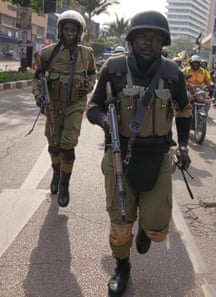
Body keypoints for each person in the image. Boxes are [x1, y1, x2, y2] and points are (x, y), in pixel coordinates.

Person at [86, 11, 192, 297]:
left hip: (157, 158)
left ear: (162, 43)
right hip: (120, 158)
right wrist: (104, 120)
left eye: (155, 38)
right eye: (142, 37)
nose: (148, 43)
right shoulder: (113, 69)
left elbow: (184, 109)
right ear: (132, 40)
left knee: (158, 230)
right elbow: (92, 107)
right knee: (120, 228)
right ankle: (122, 267)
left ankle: (147, 226)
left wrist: (182, 145)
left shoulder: (172, 73)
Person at [32, 10, 96, 207]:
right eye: (66, 29)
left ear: (79, 33)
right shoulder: (48, 53)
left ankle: (65, 184)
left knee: (68, 145)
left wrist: (89, 85)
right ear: (60, 30)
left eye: (73, 30)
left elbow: (93, 74)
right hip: (53, 107)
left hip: (75, 106)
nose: (70, 33)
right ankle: (56, 173)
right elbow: (37, 77)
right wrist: (39, 96)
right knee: (54, 145)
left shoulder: (87, 54)